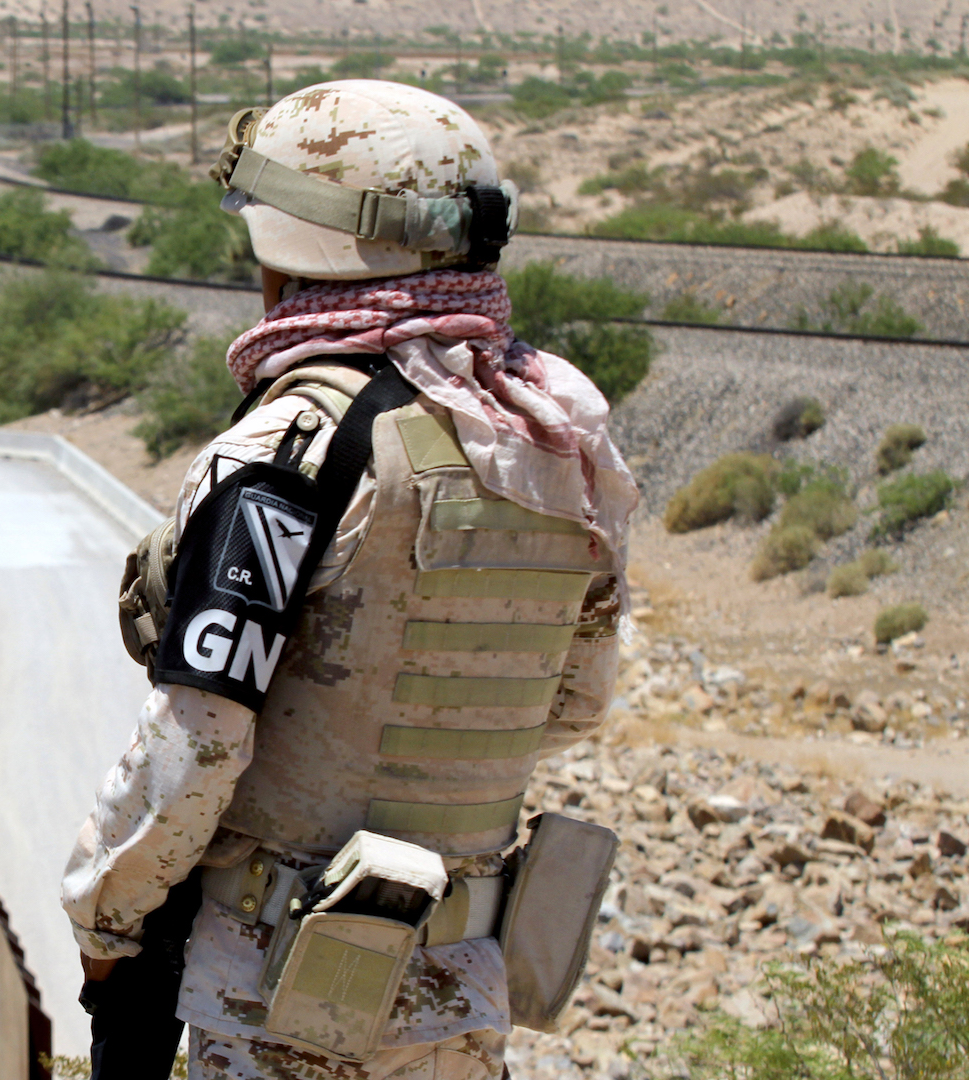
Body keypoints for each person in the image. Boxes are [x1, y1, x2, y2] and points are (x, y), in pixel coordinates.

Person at [61, 80, 638, 1080]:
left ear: (294, 246)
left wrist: (105, 918)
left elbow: (200, 745)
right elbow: (574, 705)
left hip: (286, 1000)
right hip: (462, 993)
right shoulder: (553, 438)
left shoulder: (296, 447)